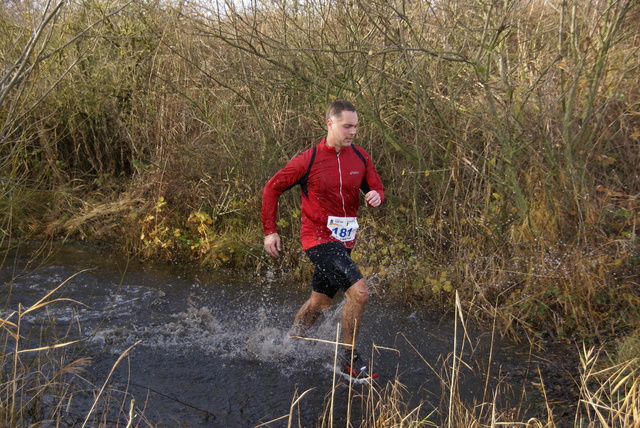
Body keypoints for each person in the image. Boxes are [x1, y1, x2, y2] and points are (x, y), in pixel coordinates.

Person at [261, 99, 385, 379]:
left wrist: (377, 195)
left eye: (355, 126)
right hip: (317, 239)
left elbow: (375, 186)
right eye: (347, 126)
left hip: (345, 242)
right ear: (330, 124)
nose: (352, 132)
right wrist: (270, 230)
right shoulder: (309, 160)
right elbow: (271, 189)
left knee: (319, 302)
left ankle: (288, 344)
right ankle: (349, 359)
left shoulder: (361, 157)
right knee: (360, 293)